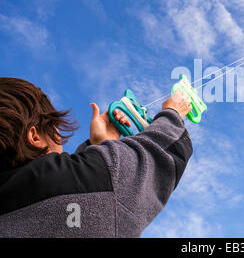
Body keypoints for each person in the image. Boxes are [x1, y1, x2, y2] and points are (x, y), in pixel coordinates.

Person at [0, 77, 193, 237]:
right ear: (35, 137)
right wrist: (173, 113)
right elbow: (159, 153)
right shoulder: (93, 177)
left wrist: (99, 146)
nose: (59, 135)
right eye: (53, 126)